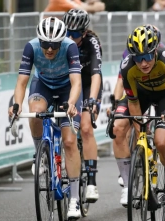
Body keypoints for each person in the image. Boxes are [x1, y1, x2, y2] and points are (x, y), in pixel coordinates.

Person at [8, 17, 83, 221]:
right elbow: (22, 82)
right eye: (45, 45)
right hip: (43, 85)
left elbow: (77, 82)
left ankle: (75, 199)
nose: (49, 49)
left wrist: (72, 103)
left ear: (62, 41)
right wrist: (16, 105)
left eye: (54, 45)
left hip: (68, 88)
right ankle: (41, 153)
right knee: (35, 111)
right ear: (39, 41)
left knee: (69, 141)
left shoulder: (69, 48)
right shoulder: (31, 47)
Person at [112, 25, 165, 210]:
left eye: (147, 57)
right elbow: (133, 102)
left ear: (156, 51)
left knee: (161, 141)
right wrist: (140, 129)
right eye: (138, 58)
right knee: (117, 127)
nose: (143, 63)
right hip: (140, 96)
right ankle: (128, 186)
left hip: (164, 97)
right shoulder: (127, 67)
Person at [110, 25, 165, 187]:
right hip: (137, 90)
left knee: (152, 127)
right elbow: (121, 80)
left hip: (158, 90)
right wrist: (114, 103)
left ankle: (152, 155)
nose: (143, 61)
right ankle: (130, 166)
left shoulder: (161, 54)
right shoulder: (128, 55)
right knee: (125, 124)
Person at [63, 9, 103, 203]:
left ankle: (92, 182)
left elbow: (96, 74)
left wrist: (93, 100)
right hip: (68, 84)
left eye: (76, 34)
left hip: (88, 84)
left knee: (86, 128)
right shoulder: (60, 41)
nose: (71, 37)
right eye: (67, 32)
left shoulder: (92, 43)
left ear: (84, 33)